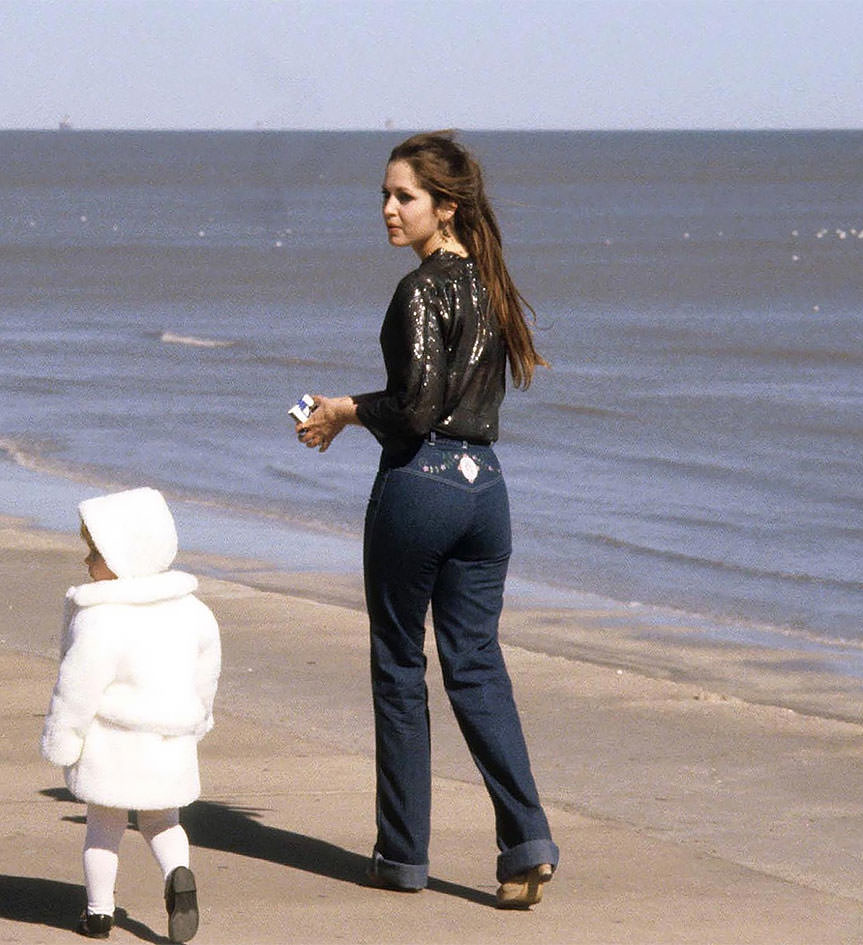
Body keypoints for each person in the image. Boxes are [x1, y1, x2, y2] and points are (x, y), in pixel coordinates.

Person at [294, 131, 559, 908]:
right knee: (477, 664)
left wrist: (343, 409)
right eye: (384, 194)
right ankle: (526, 842)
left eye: (403, 196)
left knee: (400, 666)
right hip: (488, 494)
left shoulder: (421, 290)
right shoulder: (492, 286)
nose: (387, 209)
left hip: (422, 488)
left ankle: (403, 855)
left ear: (445, 207)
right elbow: (454, 396)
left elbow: (416, 407)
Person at [41, 487, 222, 941]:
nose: (86, 562)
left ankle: (99, 913)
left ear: (121, 556)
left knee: (104, 826)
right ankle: (178, 873)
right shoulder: (193, 611)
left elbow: (78, 686)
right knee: (164, 821)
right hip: (168, 739)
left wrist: (64, 737)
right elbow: (207, 673)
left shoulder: (102, 618)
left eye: (94, 552)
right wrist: (198, 718)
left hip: (112, 740)